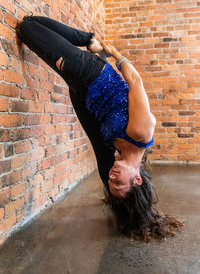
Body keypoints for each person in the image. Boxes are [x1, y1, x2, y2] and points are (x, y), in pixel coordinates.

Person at [16, 15, 183, 241]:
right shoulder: (141, 133)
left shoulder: (117, 156)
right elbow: (135, 81)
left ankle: (84, 41)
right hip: (94, 74)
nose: (112, 178)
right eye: (119, 182)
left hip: (83, 93)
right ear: (138, 179)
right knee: (27, 27)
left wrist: (122, 208)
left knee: (32, 32)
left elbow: (111, 173)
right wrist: (113, 53)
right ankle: (87, 38)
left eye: (111, 184)